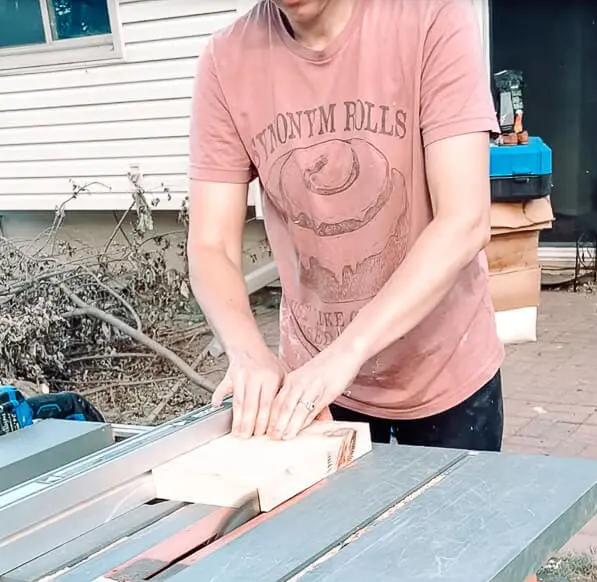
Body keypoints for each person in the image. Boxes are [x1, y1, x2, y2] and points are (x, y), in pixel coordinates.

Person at [187, 0, 504, 449]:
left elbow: (465, 219)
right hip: (314, 388)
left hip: (444, 376)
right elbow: (209, 244)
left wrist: (347, 352)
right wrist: (248, 353)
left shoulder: (432, 14)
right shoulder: (226, 61)